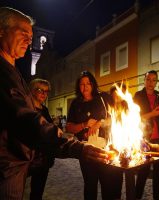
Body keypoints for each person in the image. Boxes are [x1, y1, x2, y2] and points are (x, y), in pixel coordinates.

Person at [0, 7, 108, 200]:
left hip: (17, 169)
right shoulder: (3, 74)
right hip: (5, 172)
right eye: (23, 33)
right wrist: (77, 147)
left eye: (31, 36)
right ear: (1, 30)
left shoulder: (13, 72)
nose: (28, 39)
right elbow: (27, 121)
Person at [66, 70, 119, 200]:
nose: (85, 87)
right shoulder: (75, 103)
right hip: (86, 150)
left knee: (107, 184)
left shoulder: (103, 98)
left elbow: (117, 117)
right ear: (78, 86)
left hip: (105, 149)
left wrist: (99, 123)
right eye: (82, 84)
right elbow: (69, 127)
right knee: (90, 185)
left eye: (88, 83)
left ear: (93, 84)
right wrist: (84, 124)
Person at [133, 70, 159, 200]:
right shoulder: (137, 96)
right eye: (148, 79)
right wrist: (152, 114)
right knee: (143, 172)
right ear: (144, 80)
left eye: (153, 80)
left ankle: (156, 197)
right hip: (145, 139)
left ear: (156, 82)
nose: (150, 83)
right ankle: (137, 197)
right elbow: (134, 117)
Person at [28, 78, 55, 200]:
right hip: (28, 157)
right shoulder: (26, 108)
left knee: (37, 192)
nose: (44, 94)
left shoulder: (45, 109)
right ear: (32, 90)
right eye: (40, 90)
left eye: (46, 91)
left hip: (43, 158)